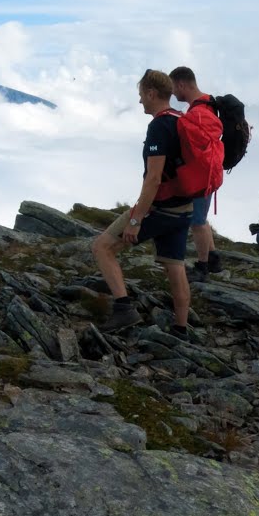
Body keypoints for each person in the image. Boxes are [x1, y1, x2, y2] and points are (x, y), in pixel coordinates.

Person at [92, 69, 194, 339]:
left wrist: (136, 220)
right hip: (185, 208)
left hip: (160, 208)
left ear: (151, 93)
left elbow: (153, 178)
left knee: (102, 246)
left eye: (141, 96)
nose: (139, 102)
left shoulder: (160, 125)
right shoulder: (181, 120)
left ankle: (124, 310)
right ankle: (181, 329)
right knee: (175, 264)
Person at [169, 66, 222, 282]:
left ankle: (202, 267)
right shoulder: (208, 104)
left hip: (202, 175)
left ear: (182, 84)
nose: (173, 94)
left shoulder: (198, 113)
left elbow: (196, 148)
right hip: (211, 172)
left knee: (197, 222)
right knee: (202, 218)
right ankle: (214, 257)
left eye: (174, 88)